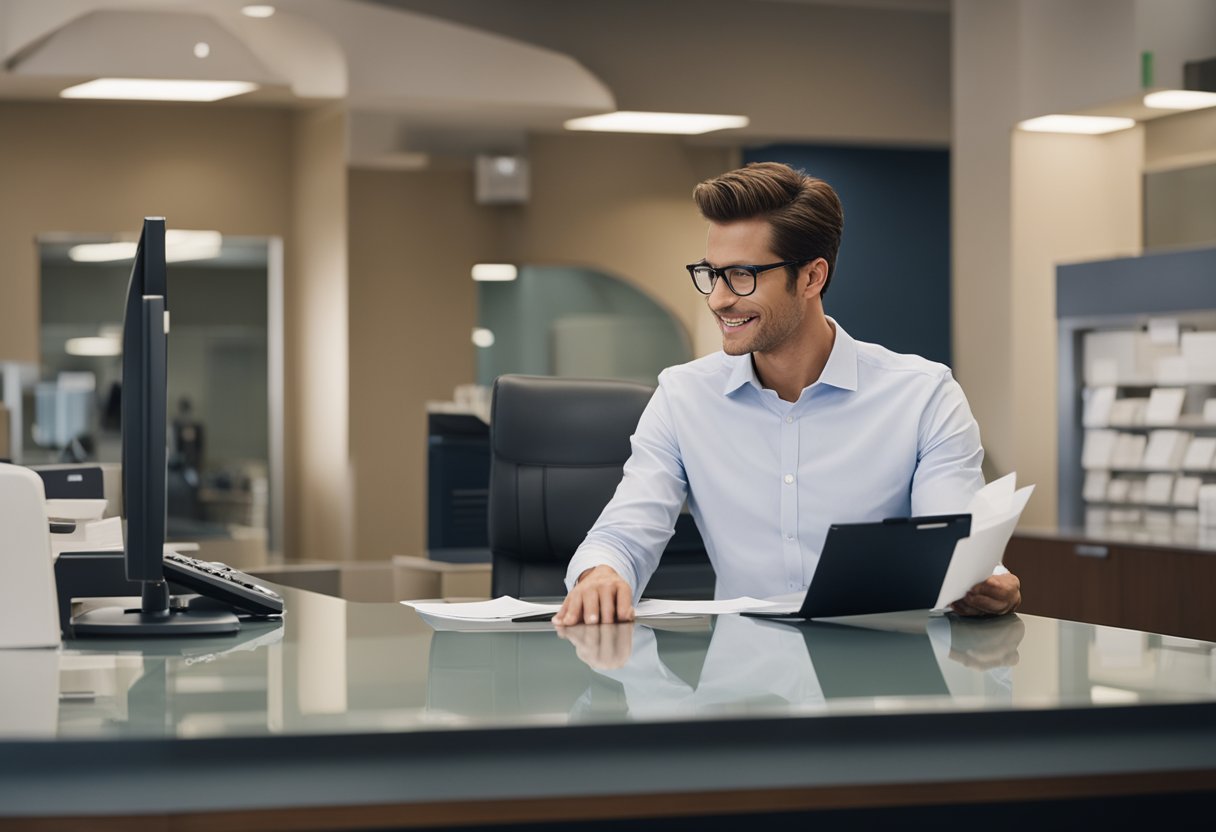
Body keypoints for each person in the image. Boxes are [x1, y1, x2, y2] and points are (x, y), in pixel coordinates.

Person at [554, 161, 1021, 625]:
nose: (718, 299)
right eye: (711, 273)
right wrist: (601, 574)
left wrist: (983, 579)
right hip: (742, 688)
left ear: (812, 278)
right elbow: (624, 532)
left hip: (885, 677)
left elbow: (954, 537)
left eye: (742, 275)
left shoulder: (923, 396)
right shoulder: (683, 397)